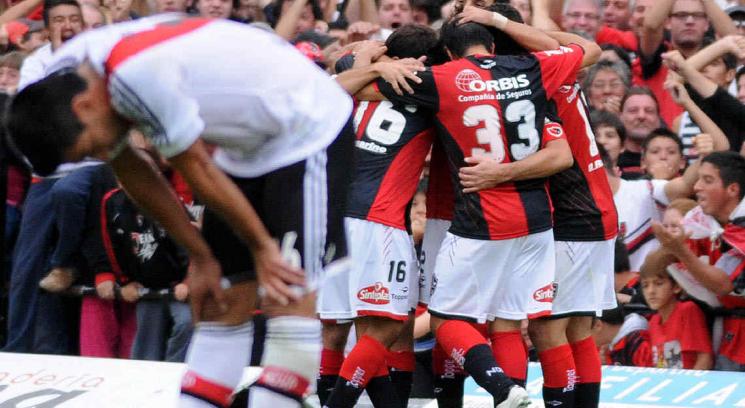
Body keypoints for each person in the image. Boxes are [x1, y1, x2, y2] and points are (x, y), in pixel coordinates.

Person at [5, 16, 413, 407]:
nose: (101, 153)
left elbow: (192, 164)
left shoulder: (136, 75)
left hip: (306, 130)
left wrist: (261, 248)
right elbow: (133, 168)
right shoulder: (63, 81)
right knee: (220, 302)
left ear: (83, 107)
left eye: (91, 147)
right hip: (241, 146)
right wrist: (199, 255)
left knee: (287, 296)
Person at [352, 11, 600, 406]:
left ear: (449, 51)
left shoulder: (442, 78)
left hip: (476, 217)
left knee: (446, 319)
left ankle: (501, 388)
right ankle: (510, 393)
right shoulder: (532, 66)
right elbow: (589, 48)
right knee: (508, 321)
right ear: (495, 44)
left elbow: (358, 89)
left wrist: (377, 62)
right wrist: (500, 22)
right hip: (537, 218)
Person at [317, 25, 440, 408]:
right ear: (422, 62)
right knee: (387, 327)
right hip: (379, 223)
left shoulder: (351, 79)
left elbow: (337, 63)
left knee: (338, 330)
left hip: (332, 221)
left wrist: (371, 63)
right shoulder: (430, 89)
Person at [651, 151, 745, 371]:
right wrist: (669, 249)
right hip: (730, 332)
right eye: (699, 178)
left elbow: (722, 284)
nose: (696, 187)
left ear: (732, 189)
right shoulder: (702, 221)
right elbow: (657, 265)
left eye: (708, 180)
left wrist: (680, 251)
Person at [640, 241, 714, 369]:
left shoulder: (687, 310)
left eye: (658, 283)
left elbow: (704, 357)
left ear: (677, 286)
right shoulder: (653, 322)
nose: (650, 291)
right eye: (645, 285)